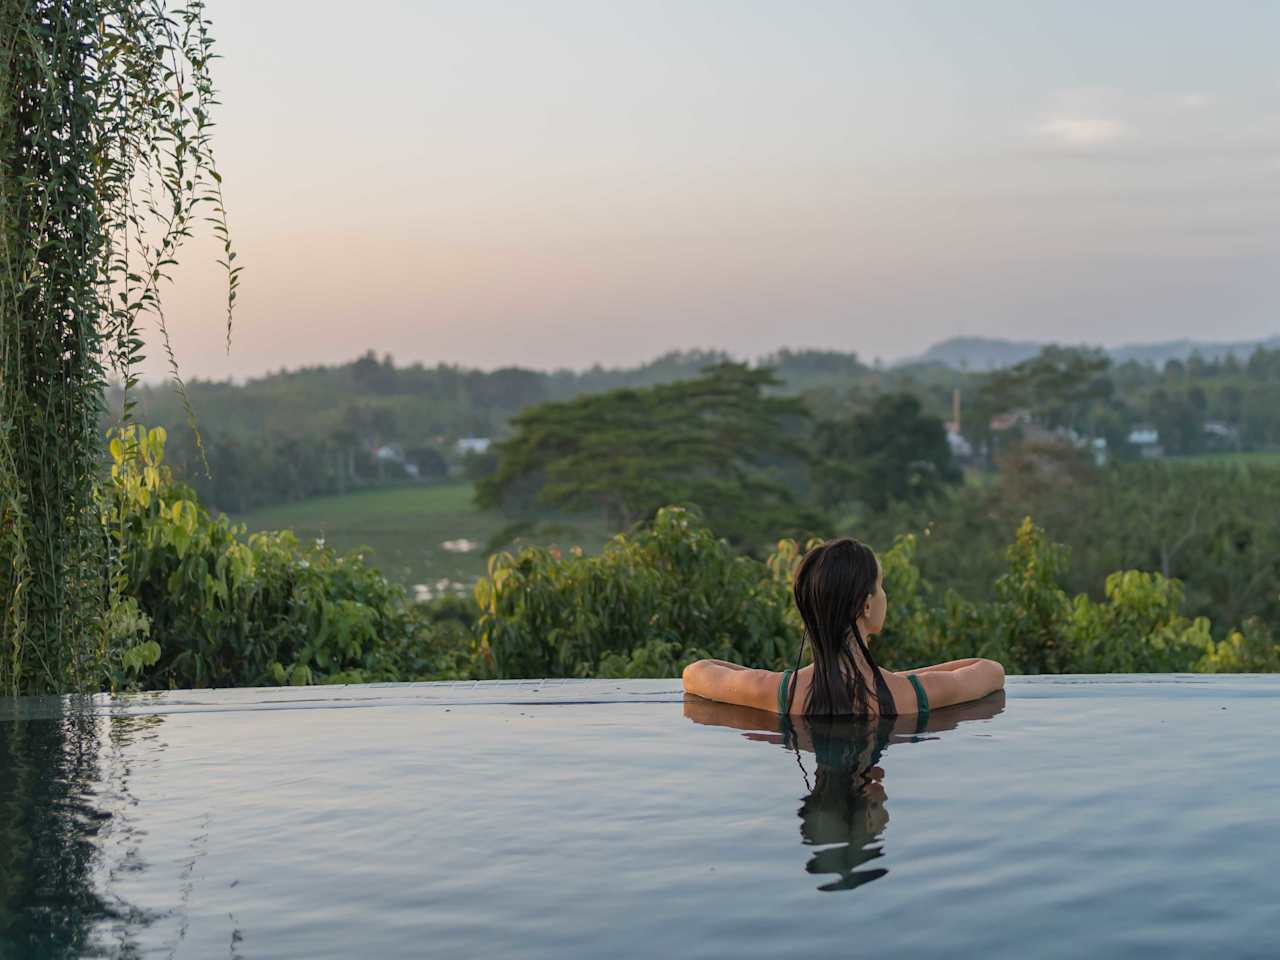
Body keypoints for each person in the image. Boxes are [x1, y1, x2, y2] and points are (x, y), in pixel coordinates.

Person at [681, 537, 1005, 717]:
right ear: (866, 605)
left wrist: (781, 678)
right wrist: (897, 678)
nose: (884, 596)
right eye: (881, 586)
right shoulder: (912, 695)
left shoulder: (776, 692)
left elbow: (696, 672)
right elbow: (990, 670)